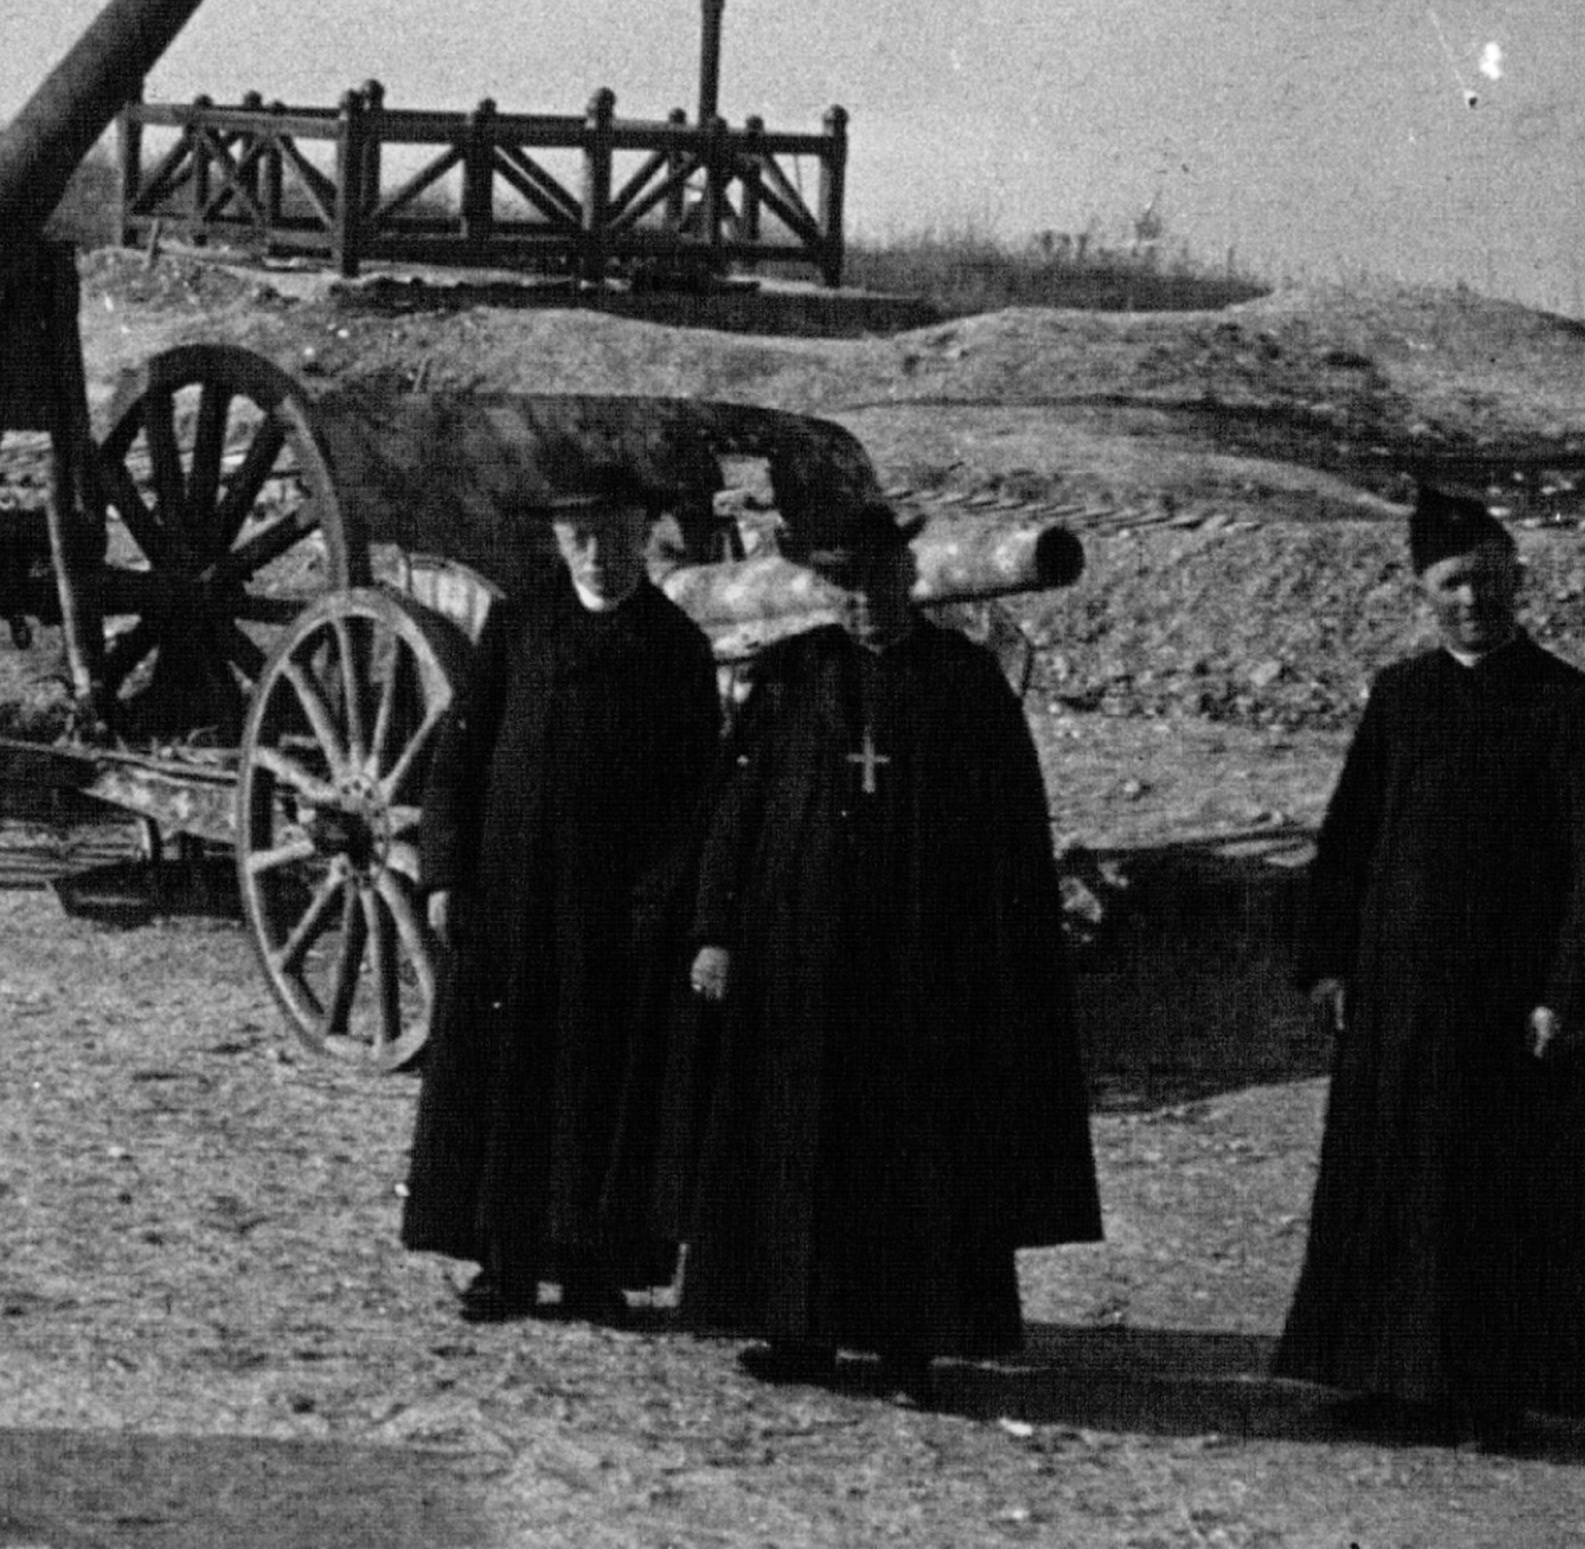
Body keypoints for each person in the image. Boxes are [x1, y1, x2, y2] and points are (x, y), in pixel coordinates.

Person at [666, 501, 1102, 1404]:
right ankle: (798, 1330)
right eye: (845, 584)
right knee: (799, 1141)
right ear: (827, 590)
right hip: (798, 959)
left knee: (912, 1153)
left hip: (922, 966)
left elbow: (1013, 824)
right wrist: (714, 928)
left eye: (879, 579)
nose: (865, 598)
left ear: (910, 577)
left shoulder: (965, 679)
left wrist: (1011, 948)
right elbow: (735, 813)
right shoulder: (789, 674)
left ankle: (909, 1345)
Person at [1273, 485, 1585, 1450]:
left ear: (1517, 583)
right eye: (1451, 584)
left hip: (1507, 1011)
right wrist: (1328, 961)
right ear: (1422, 591)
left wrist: (1572, 993)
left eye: (1487, 581)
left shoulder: (1569, 704)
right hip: (1397, 999)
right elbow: (1348, 836)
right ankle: (1385, 1377)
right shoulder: (1400, 696)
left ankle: (1493, 1394)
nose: (1471, 601)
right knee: (1391, 1184)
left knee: (1498, 1197)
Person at [400, 460, 721, 1324]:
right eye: (579, 537)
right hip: (510, 901)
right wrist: (444, 872)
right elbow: (459, 758)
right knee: (507, 1082)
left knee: (602, 1089)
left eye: (615, 536)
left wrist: (663, 904)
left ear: (643, 540)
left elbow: (697, 796)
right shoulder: (518, 628)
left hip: (614, 915)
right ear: (556, 541)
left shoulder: (674, 647)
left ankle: (594, 1268)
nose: (596, 554)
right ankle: (502, 1265)